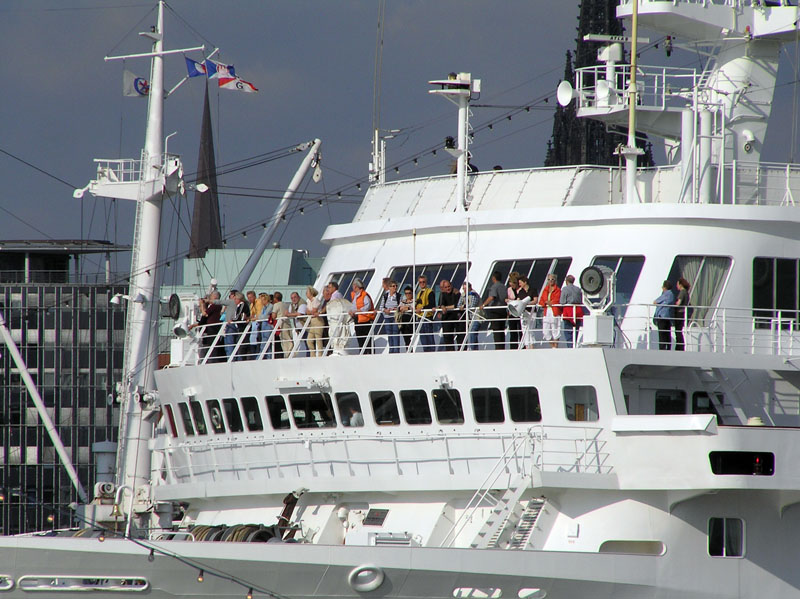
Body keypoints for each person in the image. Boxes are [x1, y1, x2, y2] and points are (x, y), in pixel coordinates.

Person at [481, 271, 507, 350]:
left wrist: (483, 304)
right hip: (503, 310)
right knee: (501, 330)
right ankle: (502, 347)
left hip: (496, 311)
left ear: (493, 278)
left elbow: (492, 297)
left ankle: (498, 348)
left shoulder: (494, 287)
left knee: (496, 330)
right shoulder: (504, 286)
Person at [349, 278, 375, 353]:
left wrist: (359, 310)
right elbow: (353, 306)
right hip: (358, 320)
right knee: (360, 339)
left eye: (353, 285)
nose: (352, 287)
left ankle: (369, 354)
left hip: (365, 320)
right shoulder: (355, 296)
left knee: (367, 340)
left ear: (356, 286)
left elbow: (368, 306)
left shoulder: (364, 295)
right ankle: (362, 353)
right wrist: (351, 311)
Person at [539, 273, 562, 348]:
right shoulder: (545, 289)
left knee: (555, 328)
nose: (550, 281)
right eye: (549, 279)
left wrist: (551, 303)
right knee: (545, 330)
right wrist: (546, 303)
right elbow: (541, 300)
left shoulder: (558, 290)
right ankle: (553, 345)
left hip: (554, 310)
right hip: (547, 310)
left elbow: (557, 300)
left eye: (552, 279)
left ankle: (556, 346)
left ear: (555, 280)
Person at [560, 275, 583, 348]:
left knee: (567, 331)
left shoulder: (565, 289)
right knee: (576, 330)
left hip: (568, 311)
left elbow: (562, 301)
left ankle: (570, 346)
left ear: (566, 281)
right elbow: (581, 300)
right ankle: (574, 344)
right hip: (578, 310)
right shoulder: (578, 289)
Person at [458, 282, 482, 350]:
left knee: (473, 332)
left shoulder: (474, 294)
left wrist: (463, 306)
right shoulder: (463, 294)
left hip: (476, 317)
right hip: (469, 318)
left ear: (470, 287)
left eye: (466, 288)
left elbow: (472, 305)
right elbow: (459, 304)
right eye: (463, 289)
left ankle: (474, 349)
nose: (464, 290)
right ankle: (472, 348)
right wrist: (461, 306)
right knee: (470, 333)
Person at [438, 279, 461, 351]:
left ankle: (461, 350)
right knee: (447, 337)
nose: (448, 288)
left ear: (451, 286)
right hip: (447, 318)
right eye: (446, 287)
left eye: (449, 286)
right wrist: (442, 307)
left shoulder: (456, 293)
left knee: (460, 335)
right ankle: (450, 351)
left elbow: (456, 305)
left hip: (456, 317)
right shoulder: (443, 294)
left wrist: (445, 307)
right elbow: (441, 304)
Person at [380, 280, 402, 353]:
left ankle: (396, 351)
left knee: (395, 333)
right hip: (387, 318)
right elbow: (381, 307)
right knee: (390, 334)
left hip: (395, 317)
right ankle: (391, 350)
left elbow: (401, 305)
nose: (395, 287)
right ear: (389, 287)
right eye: (393, 286)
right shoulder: (385, 296)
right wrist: (385, 310)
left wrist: (397, 308)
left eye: (396, 286)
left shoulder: (399, 296)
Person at [415, 275, 436, 351]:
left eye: (423, 282)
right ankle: (426, 352)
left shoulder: (430, 292)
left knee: (429, 337)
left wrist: (422, 308)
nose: (422, 284)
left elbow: (432, 304)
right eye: (420, 282)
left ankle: (431, 352)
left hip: (427, 317)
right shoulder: (419, 293)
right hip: (420, 317)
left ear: (426, 282)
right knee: (423, 338)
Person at [654, 280, 676, 350]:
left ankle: (662, 349)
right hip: (667, 317)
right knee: (667, 334)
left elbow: (655, 302)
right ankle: (668, 348)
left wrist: (660, 304)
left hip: (662, 317)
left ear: (664, 287)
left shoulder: (666, 294)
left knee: (662, 334)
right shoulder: (671, 295)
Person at [517, 276, 537, 349]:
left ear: (525, 282)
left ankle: (531, 346)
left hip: (531, 312)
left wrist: (527, 304)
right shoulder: (520, 291)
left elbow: (535, 300)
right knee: (524, 329)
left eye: (520, 283)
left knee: (530, 329)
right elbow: (518, 300)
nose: (519, 284)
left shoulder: (532, 290)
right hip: (523, 312)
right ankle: (527, 346)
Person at [286, 292, 308, 357]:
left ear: (298, 297)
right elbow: (288, 313)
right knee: (303, 343)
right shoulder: (292, 305)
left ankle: (309, 356)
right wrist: (289, 314)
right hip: (298, 328)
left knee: (308, 343)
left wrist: (289, 314)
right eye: (292, 298)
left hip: (306, 327)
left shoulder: (302, 303)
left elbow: (300, 314)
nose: (293, 299)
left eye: (295, 297)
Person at [306, 286, 325, 357]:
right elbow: (308, 312)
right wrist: (311, 312)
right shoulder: (308, 301)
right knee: (309, 340)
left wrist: (310, 312)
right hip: (312, 321)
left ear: (311, 293)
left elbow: (314, 310)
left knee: (318, 339)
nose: (306, 294)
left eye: (307, 292)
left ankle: (320, 355)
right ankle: (312, 354)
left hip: (318, 321)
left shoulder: (315, 300)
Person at [272, 291, 293, 357]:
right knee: (289, 339)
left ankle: (287, 355)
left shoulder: (276, 305)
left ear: (275, 298)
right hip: (288, 324)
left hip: (281, 325)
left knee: (284, 341)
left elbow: (273, 316)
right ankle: (290, 353)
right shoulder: (285, 304)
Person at [673, 277, 691, 351]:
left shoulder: (682, 292)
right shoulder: (686, 292)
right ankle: (680, 346)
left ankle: (679, 347)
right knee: (679, 330)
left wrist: (674, 304)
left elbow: (679, 303)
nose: (677, 286)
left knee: (678, 331)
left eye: (677, 284)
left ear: (680, 285)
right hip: (683, 313)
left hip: (679, 313)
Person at [505, 272, 522, 349]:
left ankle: (522, 346)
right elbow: (508, 298)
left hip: (520, 312)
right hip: (512, 312)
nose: (510, 284)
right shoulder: (509, 290)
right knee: (513, 330)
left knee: (521, 330)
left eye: (511, 282)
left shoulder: (520, 289)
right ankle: (513, 347)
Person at [398, 285, 415, 349]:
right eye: (406, 293)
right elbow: (399, 308)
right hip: (403, 320)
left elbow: (413, 308)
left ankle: (409, 349)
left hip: (410, 320)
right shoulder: (403, 301)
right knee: (405, 337)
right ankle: (408, 349)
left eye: (409, 293)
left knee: (408, 336)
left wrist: (407, 307)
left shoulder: (414, 301)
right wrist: (405, 308)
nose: (407, 295)